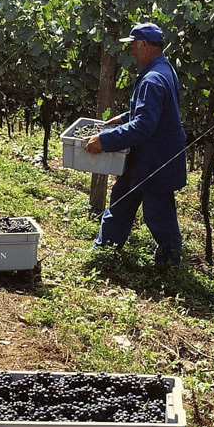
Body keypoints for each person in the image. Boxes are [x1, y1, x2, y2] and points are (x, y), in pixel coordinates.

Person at [84, 22, 187, 266]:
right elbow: (152, 113)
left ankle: (170, 263)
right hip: (146, 157)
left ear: (143, 44)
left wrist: (105, 140)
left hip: (156, 161)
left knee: (159, 214)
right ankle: (105, 252)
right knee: (121, 202)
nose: (131, 51)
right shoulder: (164, 69)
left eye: (132, 45)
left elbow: (144, 126)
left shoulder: (153, 79)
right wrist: (123, 118)